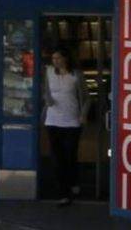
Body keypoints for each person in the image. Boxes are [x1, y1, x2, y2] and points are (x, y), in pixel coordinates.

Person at [43, 47, 86, 207]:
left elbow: (86, 97)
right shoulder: (49, 72)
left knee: (70, 155)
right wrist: (47, 99)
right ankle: (63, 193)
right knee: (57, 157)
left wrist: (83, 115)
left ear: (65, 59)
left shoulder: (76, 75)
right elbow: (45, 91)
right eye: (53, 58)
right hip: (52, 120)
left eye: (58, 58)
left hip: (72, 120)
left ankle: (73, 181)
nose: (55, 61)